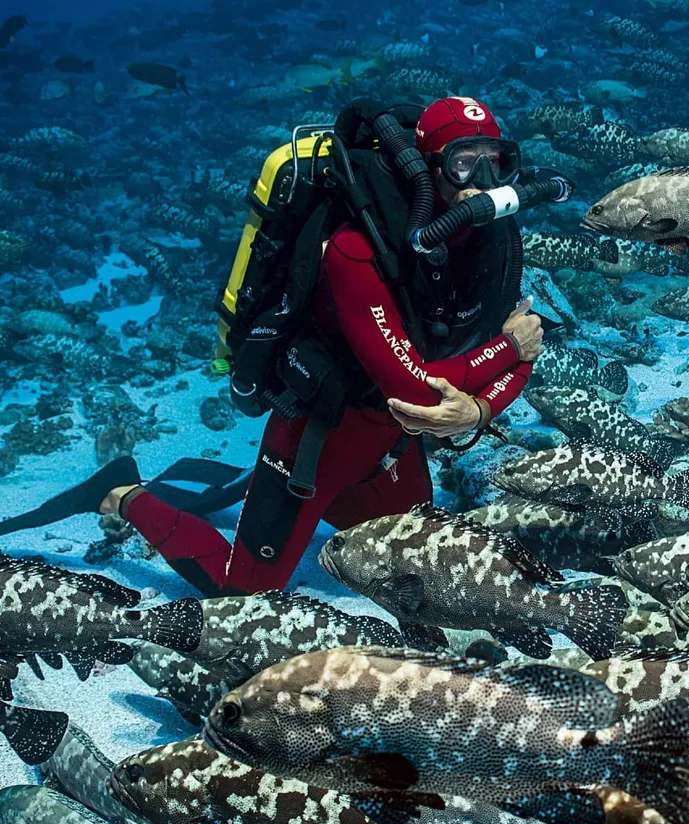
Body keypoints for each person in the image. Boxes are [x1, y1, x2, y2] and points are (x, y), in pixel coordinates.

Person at [0, 96, 543, 597]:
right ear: (422, 168)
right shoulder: (356, 249)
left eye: (496, 161)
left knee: (420, 561)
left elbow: (527, 345)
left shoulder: (491, 240)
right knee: (244, 590)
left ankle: (260, 495)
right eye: (463, 162)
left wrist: (479, 406)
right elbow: (423, 383)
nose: (483, 182)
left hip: (390, 445)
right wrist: (500, 360)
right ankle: (120, 493)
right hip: (318, 438)